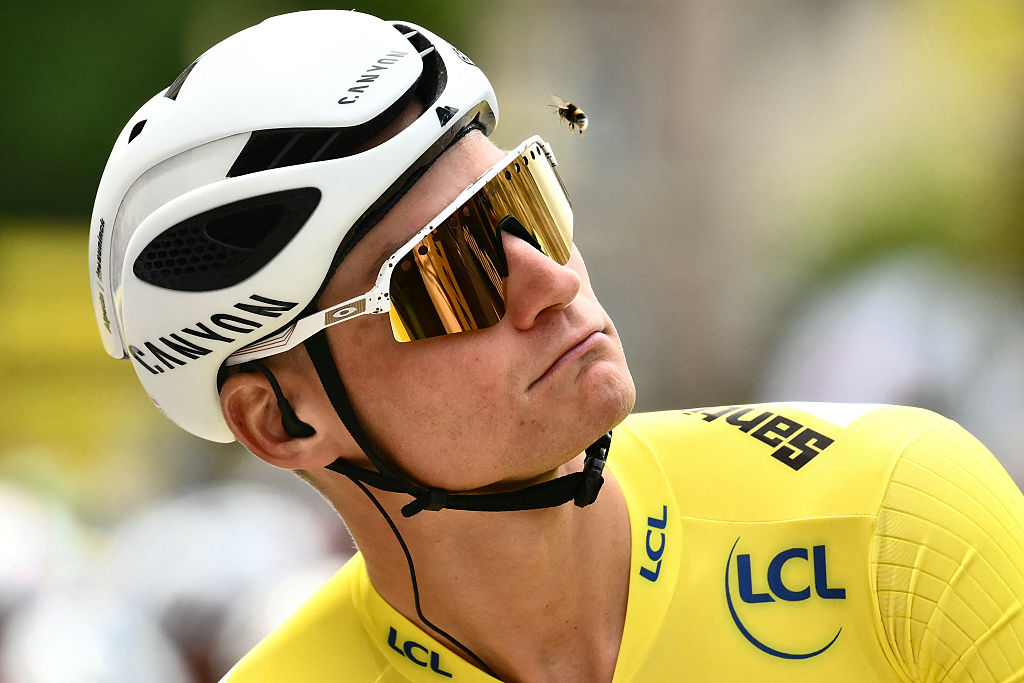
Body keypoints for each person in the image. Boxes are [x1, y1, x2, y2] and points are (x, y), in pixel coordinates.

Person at [88, 10, 1024, 682]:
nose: (551, 281)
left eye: (526, 205)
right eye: (452, 271)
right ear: (281, 419)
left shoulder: (894, 522)